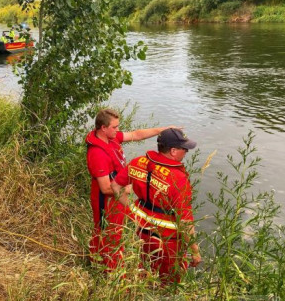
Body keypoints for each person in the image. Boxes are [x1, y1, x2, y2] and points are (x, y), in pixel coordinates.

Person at [85, 108, 175, 271]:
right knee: (108, 234)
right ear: (103, 128)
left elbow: (136, 135)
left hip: (118, 198)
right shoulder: (97, 153)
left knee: (120, 230)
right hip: (106, 202)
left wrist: (162, 130)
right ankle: (110, 271)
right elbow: (105, 188)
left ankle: (99, 262)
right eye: (115, 127)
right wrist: (128, 187)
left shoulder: (111, 138)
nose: (118, 130)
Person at [110, 128, 202, 285]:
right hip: (168, 241)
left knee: (144, 270)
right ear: (173, 151)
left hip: (142, 232)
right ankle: (163, 300)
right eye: (184, 148)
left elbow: (115, 186)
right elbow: (185, 222)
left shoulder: (139, 162)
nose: (186, 152)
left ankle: (141, 295)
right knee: (170, 281)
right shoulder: (178, 178)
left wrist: (132, 209)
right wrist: (195, 250)